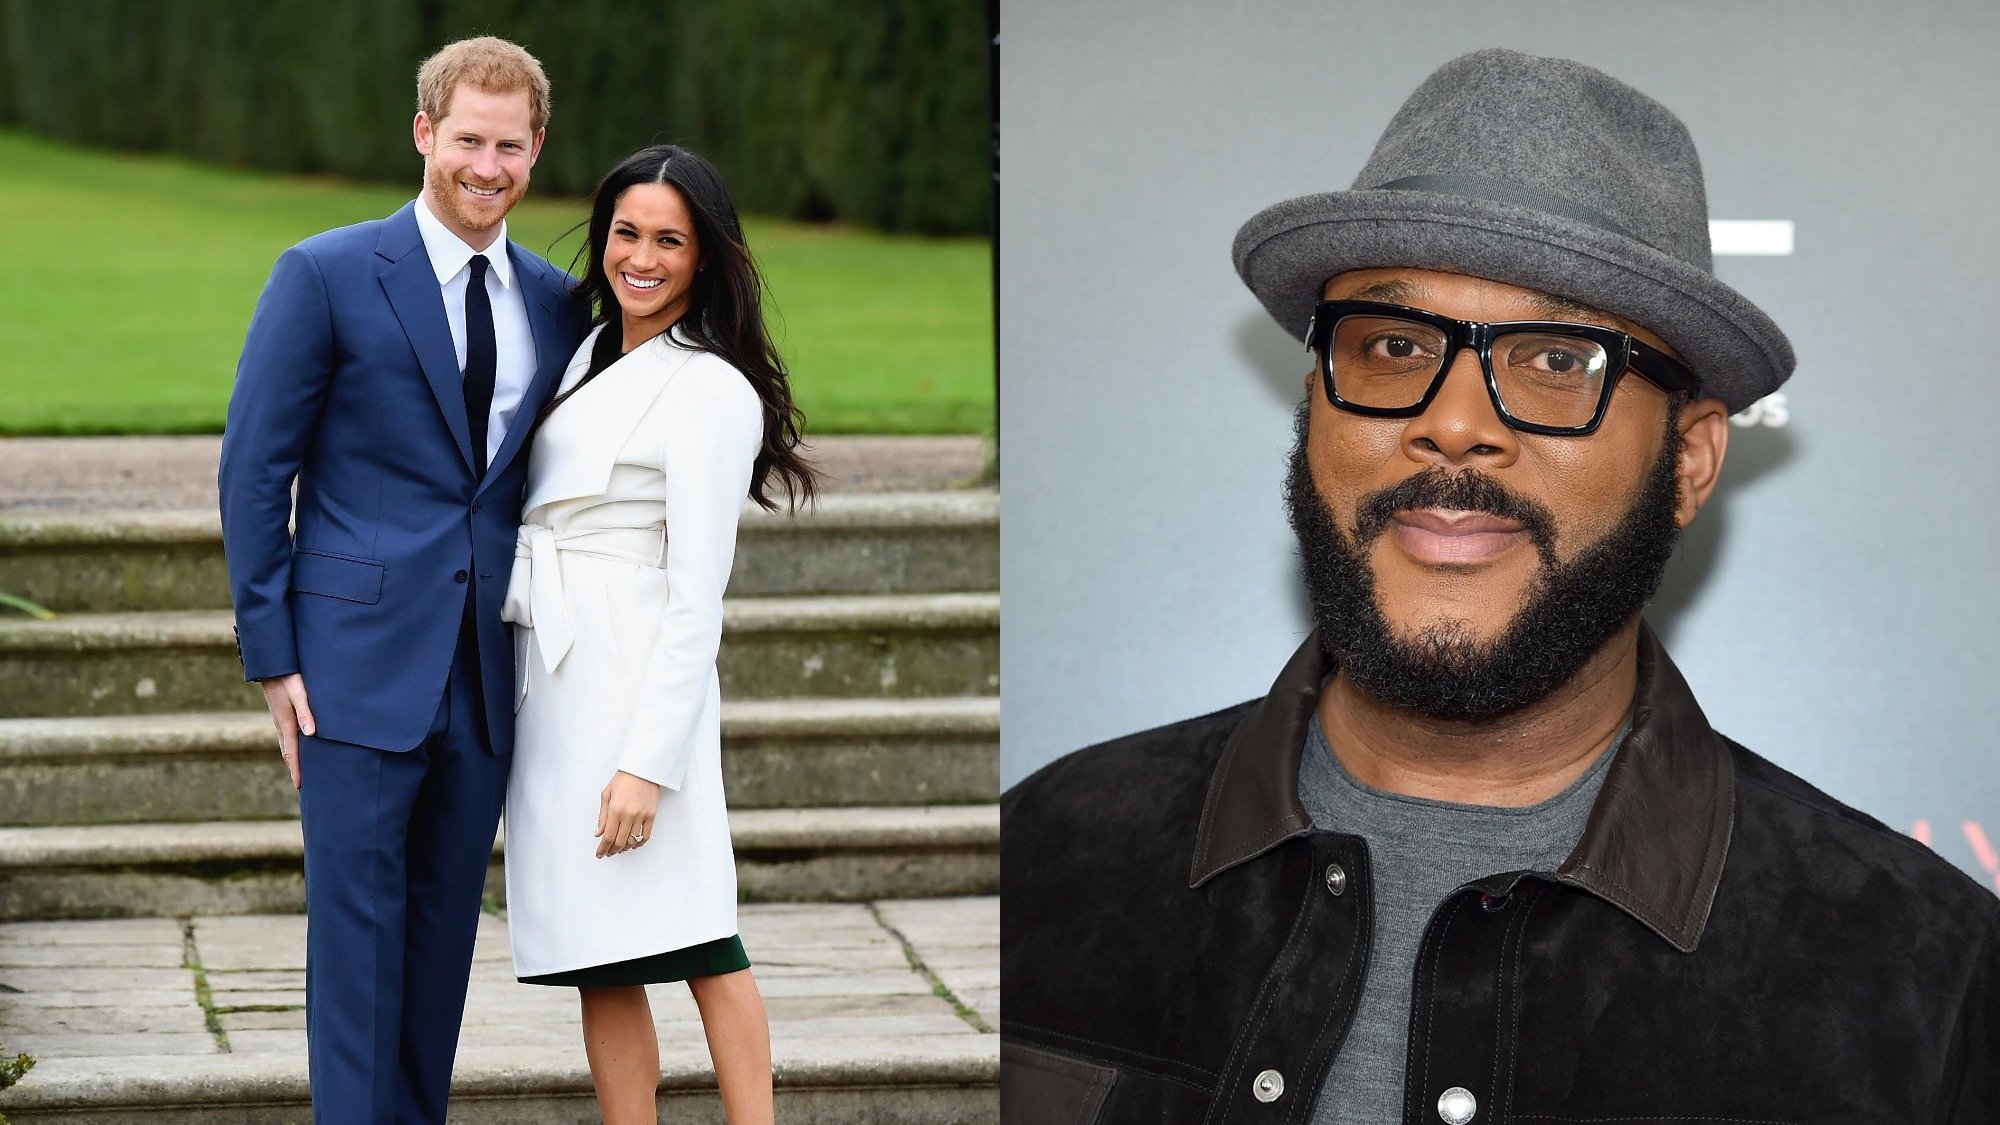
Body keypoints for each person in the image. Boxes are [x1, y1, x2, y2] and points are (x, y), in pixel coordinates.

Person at [1001, 48, 2000, 1124]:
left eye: (1557, 361)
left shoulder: (1922, 980)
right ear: (1313, 409)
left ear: (1692, 461)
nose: (1455, 423)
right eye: (1390, 345)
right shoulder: (1045, 857)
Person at [218, 37, 589, 1123]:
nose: (487, 165)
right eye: (467, 139)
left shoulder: (561, 302)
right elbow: (255, 470)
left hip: (484, 673)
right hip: (349, 670)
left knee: (439, 953)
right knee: (355, 950)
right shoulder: (325, 273)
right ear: (424, 134)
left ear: (535, 151)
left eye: (508, 145)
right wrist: (270, 655)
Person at [499, 144, 815, 1125]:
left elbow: (696, 594)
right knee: (598, 951)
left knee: (698, 942)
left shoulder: (711, 388)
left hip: (637, 678)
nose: (642, 257)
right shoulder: (588, 352)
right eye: (626, 234)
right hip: (552, 675)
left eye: (669, 240)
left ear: (705, 256)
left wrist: (648, 762)